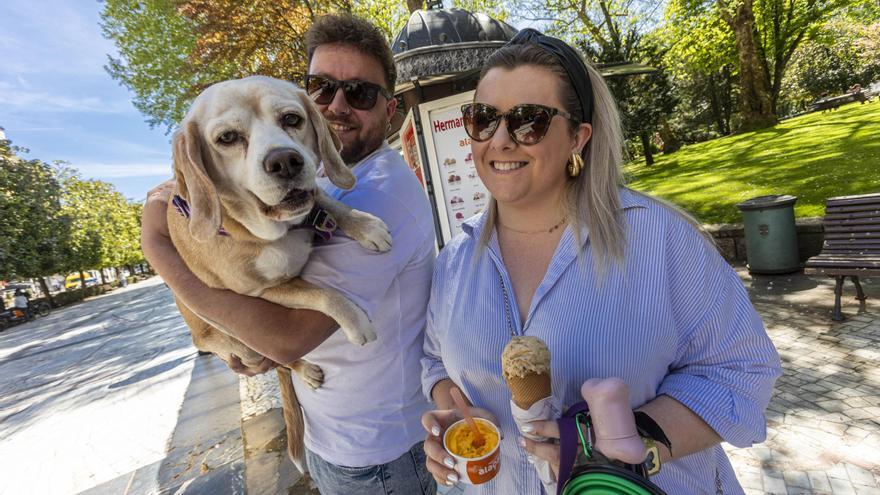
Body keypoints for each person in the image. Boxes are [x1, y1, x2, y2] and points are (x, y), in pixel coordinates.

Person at [420, 29, 782, 494]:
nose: (502, 140)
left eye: (529, 120)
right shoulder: (454, 260)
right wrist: (457, 418)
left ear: (578, 136)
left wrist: (639, 436)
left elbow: (741, 370)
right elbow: (434, 360)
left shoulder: (660, 240)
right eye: (484, 118)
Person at [141, 13, 437, 495]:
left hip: (375, 454)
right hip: (329, 431)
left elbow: (283, 338)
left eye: (360, 93)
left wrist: (157, 246)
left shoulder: (381, 194)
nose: (337, 105)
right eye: (322, 87)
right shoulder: (306, 180)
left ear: (392, 110)